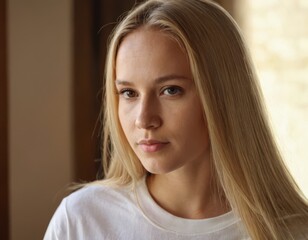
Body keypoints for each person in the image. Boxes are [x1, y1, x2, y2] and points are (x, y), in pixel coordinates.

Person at [44, 0, 308, 239]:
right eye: (129, 93)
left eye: (170, 90)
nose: (144, 119)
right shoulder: (81, 221)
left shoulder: (292, 231)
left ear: (223, 96)